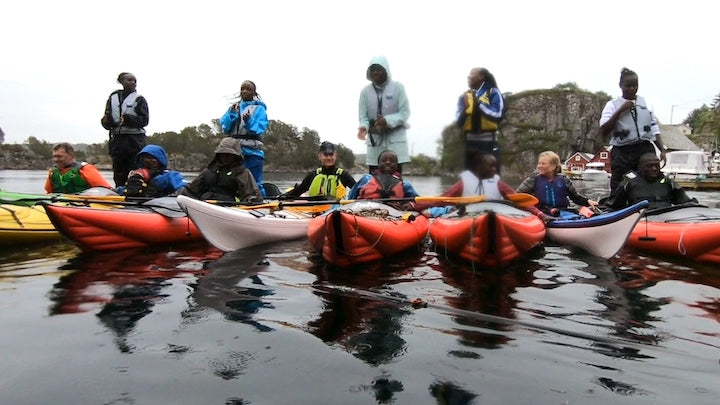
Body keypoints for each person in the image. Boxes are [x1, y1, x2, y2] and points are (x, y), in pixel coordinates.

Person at [600, 67, 667, 197]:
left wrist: (662, 150)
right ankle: (617, 208)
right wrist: (620, 111)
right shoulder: (612, 105)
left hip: (644, 148)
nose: (632, 89)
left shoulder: (646, 103)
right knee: (621, 182)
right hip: (623, 151)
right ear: (621, 86)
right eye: (628, 86)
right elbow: (604, 129)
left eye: (635, 86)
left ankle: (650, 205)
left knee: (647, 180)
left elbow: (654, 128)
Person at [416, 151, 515, 217]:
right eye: (491, 166)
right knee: (448, 209)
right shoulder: (464, 184)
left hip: (494, 213)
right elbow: (442, 199)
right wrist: (414, 206)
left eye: (495, 166)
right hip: (468, 213)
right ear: (479, 167)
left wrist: (530, 210)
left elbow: (517, 199)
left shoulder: (499, 184)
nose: (494, 169)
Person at [357, 56, 410, 173]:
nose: (375, 72)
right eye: (373, 70)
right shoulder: (365, 92)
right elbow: (363, 117)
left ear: (386, 70)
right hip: (375, 145)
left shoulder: (398, 87)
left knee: (396, 183)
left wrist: (387, 121)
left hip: (395, 145)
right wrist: (363, 127)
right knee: (374, 183)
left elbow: (404, 113)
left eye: (379, 69)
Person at [516, 151, 598, 222]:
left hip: (562, 212)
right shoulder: (533, 179)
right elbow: (517, 196)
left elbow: (576, 198)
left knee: (580, 215)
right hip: (542, 213)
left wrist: (588, 201)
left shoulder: (564, 179)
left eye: (543, 164)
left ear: (553, 166)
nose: (539, 166)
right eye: (539, 163)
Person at [220, 80, 269, 197]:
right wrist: (232, 115)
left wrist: (249, 121)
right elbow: (225, 127)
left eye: (248, 89)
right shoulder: (234, 108)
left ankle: (261, 203)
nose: (244, 91)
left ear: (254, 92)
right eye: (242, 89)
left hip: (253, 152)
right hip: (234, 152)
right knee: (231, 181)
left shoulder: (259, 110)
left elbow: (260, 128)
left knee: (255, 182)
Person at [101, 72, 149, 188]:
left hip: (134, 142)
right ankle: (119, 192)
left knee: (134, 171)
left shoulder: (139, 99)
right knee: (119, 172)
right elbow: (109, 119)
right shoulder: (113, 98)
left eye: (134, 81)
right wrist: (105, 122)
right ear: (121, 81)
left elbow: (145, 120)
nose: (133, 83)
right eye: (129, 80)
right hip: (117, 142)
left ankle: (134, 193)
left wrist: (128, 119)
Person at [181, 137, 262, 203]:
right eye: (222, 154)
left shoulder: (242, 173)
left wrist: (252, 199)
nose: (225, 158)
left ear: (236, 156)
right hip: (205, 206)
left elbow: (252, 194)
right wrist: (182, 191)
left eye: (228, 155)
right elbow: (192, 190)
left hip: (230, 208)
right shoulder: (209, 170)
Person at [456, 67, 506, 173]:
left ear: (481, 77)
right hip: (470, 145)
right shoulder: (465, 96)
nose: (468, 77)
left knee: (492, 178)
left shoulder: (493, 91)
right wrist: (465, 108)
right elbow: (459, 122)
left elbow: (498, 114)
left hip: (488, 144)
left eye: (471, 74)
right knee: (470, 179)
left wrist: (478, 103)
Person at [608, 153, 697, 210]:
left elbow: (685, 202)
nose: (654, 169)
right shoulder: (628, 182)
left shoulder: (668, 182)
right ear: (640, 167)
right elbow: (616, 206)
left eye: (656, 166)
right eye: (649, 166)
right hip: (640, 220)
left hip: (666, 219)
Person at [278, 141, 357, 200]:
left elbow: (357, 190)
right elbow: (299, 190)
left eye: (331, 154)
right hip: (315, 211)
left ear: (335, 156)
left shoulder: (343, 175)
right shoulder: (313, 175)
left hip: (336, 212)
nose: (329, 158)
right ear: (320, 156)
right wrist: (285, 196)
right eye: (325, 155)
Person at [347, 150, 419, 210]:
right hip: (365, 211)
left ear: (397, 165)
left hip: (392, 214)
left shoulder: (405, 185)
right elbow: (350, 197)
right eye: (384, 160)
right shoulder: (366, 179)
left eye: (392, 161)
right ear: (378, 164)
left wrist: (410, 204)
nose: (387, 162)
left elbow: (421, 201)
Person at [120, 144, 186, 198]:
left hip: (162, 207)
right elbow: (121, 190)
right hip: (139, 208)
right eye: (149, 157)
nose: (153, 160)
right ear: (142, 159)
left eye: (156, 158)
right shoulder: (137, 177)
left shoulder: (170, 176)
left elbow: (184, 188)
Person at [44, 142, 112, 194]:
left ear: (71, 156)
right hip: (60, 205)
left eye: (59, 156)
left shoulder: (85, 169)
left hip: (84, 206)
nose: (55, 159)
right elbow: (49, 193)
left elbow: (106, 191)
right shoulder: (53, 172)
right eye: (54, 156)